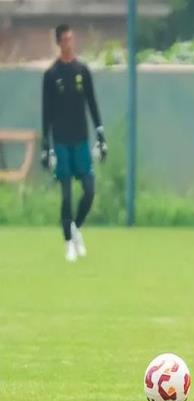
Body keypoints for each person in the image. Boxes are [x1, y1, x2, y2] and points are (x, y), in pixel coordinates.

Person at [41, 24, 107, 262]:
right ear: (59, 42)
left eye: (71, 39)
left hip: (81, 139)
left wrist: (100, 134)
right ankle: (69, 243)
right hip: (61, 141)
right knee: (67, 196)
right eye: (65, 40)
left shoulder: (82, 70)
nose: (69, 43)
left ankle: (75, 228)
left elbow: (92, 103)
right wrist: (46, 145)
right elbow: (46, 112)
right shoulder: (51, 74)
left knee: (89, 190)